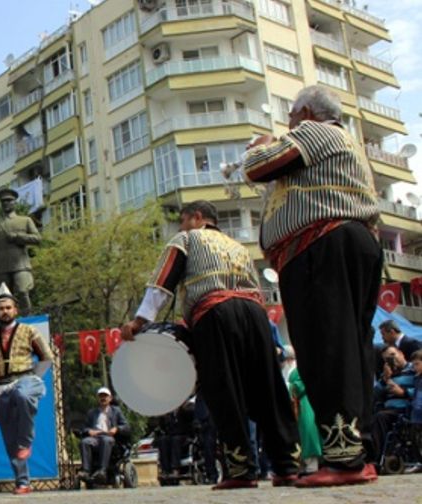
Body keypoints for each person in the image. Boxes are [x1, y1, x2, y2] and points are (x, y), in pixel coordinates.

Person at [242, 85, 382, 487]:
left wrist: (262, 144)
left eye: (290, 118)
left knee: (327, 346)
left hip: (322, 244)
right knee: (352, 348)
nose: (288, 125)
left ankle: (343, 458)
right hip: (346, 241)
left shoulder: (318, 131)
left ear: (304, 113)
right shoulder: (342, 143)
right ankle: (359, 451)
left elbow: (259, 166)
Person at [121, 200, 301, 490]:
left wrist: (140, 322)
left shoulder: (187, 239)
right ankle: (287, 465)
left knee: (224, 388)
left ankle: (241, 469)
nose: (180, 227)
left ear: (197, 217)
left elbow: (162, 282)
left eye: (182, 220)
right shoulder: (238, 246)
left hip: (215, 312)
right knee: (268, 387)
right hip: (255, 313)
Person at [0, 283, 54, 494]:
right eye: (1, 308)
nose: (5, 312)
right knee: (9, 437)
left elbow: (47, 357)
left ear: (15, 309)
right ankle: (22, 481)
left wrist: (34, 378)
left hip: (25, 379)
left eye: (8, 307)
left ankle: (26, 442)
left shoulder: (29, 330)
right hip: (1, 386)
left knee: (23, 395)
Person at [0, 188, 42, 313]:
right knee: (4, 298)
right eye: (3, 201)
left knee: (23, 291)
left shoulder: (25, 220)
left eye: (9, 200)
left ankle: (28, 318)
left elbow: (38, 238)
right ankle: (7, 321)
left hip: (20, 264)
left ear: (14, 202)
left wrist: (18, 237)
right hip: (1, 267)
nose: (6, 203)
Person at [372, 345, 415, 462]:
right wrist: (384, 379)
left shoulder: (414, 369)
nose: (391, 360)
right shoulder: (387, 374)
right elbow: (375, 395)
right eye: (387, 359)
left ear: (401, 353)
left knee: (380, 418)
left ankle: (376, 458)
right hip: (387, 409)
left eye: (392, 355)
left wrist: (404, 392)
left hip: (405, 409)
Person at [78, 388, 129, 485]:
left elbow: (126, 426)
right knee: (84, 442)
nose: (103, 398)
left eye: (105, 396)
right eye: (101, 396)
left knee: (106, 440)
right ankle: (86, 471)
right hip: (95, 437)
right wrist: (89, 431)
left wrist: (117, 428)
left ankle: (102, 470)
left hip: (109, 437)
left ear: (110, 398)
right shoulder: (92, 413)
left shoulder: (116, 411)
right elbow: (84, 428)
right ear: (98, 398)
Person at [285, 348, 321, 475]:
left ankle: (312, 465)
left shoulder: (303, 368)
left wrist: (288, 386)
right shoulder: (291, 369)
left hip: (305, 402)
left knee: (309, 432)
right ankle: (303, 465)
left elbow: (301, 384)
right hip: (296, 404)